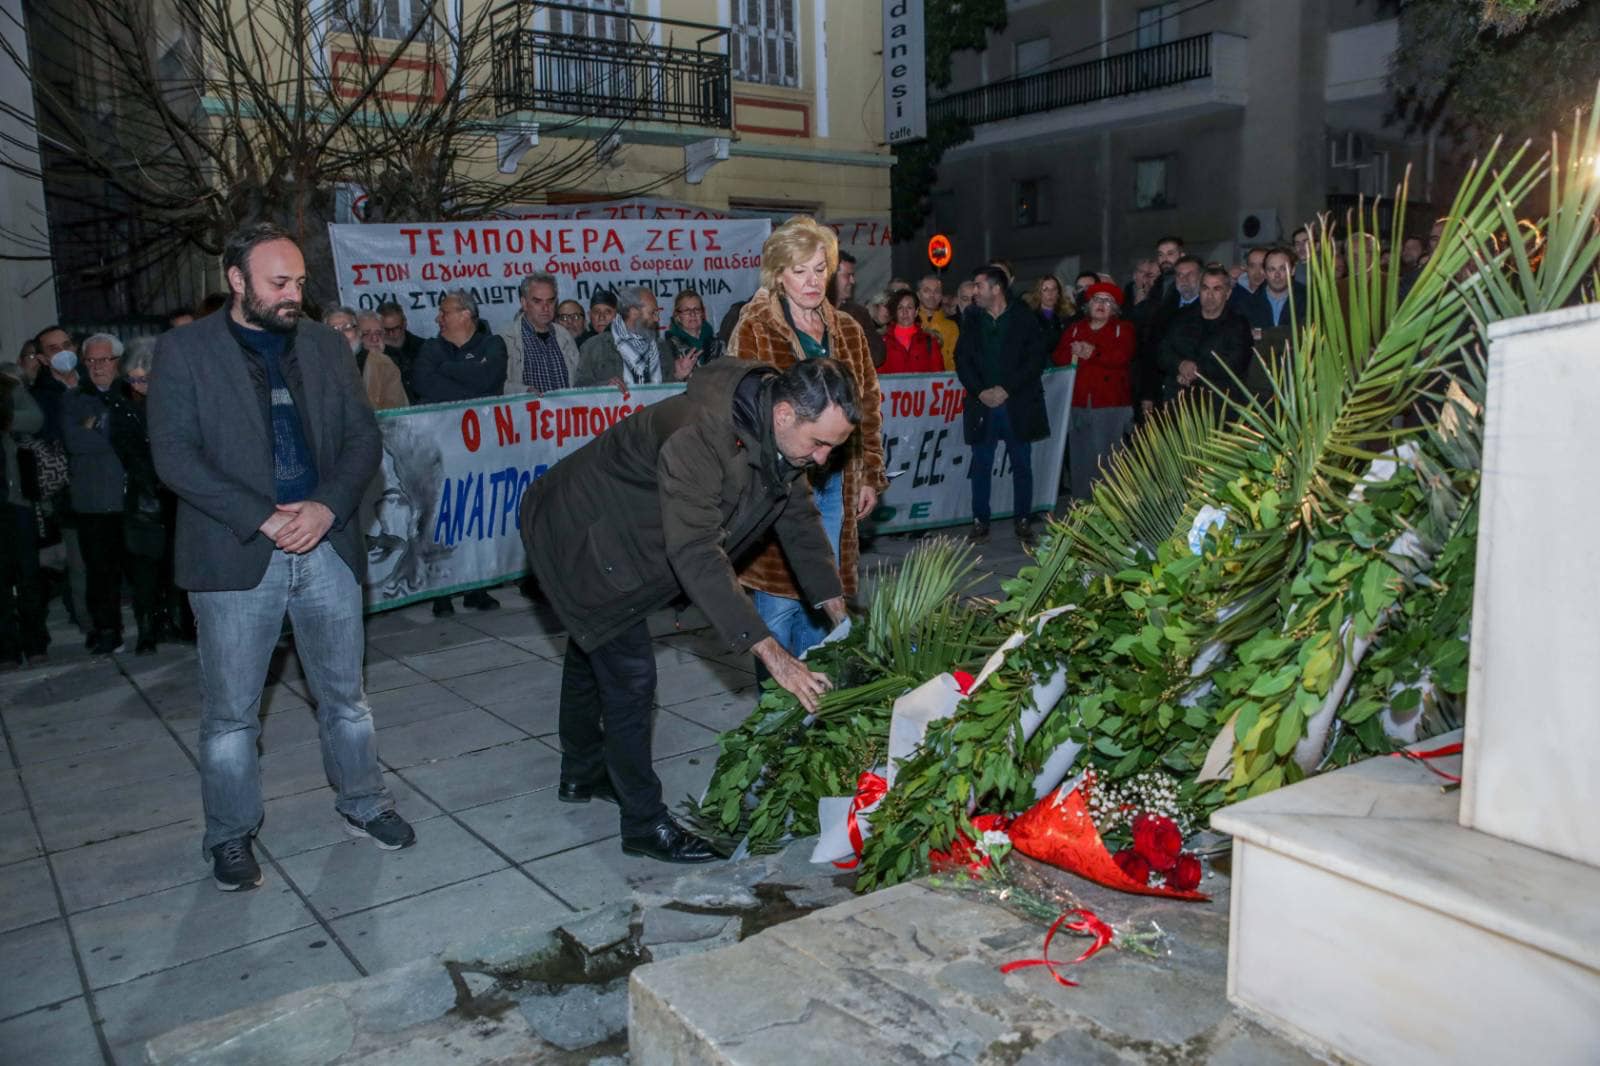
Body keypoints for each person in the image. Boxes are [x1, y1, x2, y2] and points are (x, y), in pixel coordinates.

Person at [149, 221, 417, 892]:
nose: (293, 293)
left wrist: (325, 507)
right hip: (237, 553)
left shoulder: (326, 345)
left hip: (326, 546)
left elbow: (362, 440)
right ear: (236, 281)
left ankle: (364, 803)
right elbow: (175, 456)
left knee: (347, 698)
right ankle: (230, 835)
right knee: (232, 714)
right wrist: (265, 518)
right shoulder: (185, 351)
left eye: (299, 281)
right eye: (278, 282)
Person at [519, 357, 859, 863]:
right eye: (821, 443)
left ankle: (582, 770)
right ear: (785, 414)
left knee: (593, 641)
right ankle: (642, 824)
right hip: (581, 535)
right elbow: (698, 553)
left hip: (621, 532)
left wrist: (840, 615)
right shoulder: (701, 435)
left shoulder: (779, 440)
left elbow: (800, 523)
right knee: (630, 675)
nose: (826, 458)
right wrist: (774, 655)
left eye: (835, 445)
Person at [728, 216, 886, 656]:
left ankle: (814, 713)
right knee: (777, 610)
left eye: (820, 269)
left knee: (823, 599)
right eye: (800, 270)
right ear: (779, 274)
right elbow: (742, 413)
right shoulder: (756, 328)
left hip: (835, 480)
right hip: (778, 486)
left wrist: (870, 470)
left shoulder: (849, 330)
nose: (812, 281)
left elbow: (868, 406)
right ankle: (777, 712)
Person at [413, 289, 508, 614]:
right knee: (443, 514)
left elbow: (488, 379)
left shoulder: (493, 345)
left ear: (466, 314)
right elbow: (425, 382)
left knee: (479, 512)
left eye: (446, 311)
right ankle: (442, 590)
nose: (439, 318)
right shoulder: (429, 348)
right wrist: (471, 380)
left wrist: (449, 370)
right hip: (441, 450)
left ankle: (477, 586)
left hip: (481, 448)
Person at [62, 333, 158, 655]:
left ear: (117, 362)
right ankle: (106, 630)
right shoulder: (73, 399)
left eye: (103, 360)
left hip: (133, 500)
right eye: (90, 360)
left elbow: (142, 439)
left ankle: (151, 629)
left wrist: (99, 425)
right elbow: (76, 443)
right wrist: (109, 428)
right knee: (100, 573)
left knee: (142, 569)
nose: (96, 366)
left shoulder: (135, 393)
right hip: (93, 502)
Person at [954, 266, 1050, 545]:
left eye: (979, 285)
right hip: (982, 405)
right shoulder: (971, 318)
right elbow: (963, 359)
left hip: (1015, 404)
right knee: (981, 464)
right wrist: (980, 391)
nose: (975, 292)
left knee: (1022, 463)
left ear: (996, 288)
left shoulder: (1023, 317)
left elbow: (1034, 360)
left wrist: (1007, 389)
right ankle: (980, 521)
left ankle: (1023, 519)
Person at [1053, 283, 1135, 500]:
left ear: (1115, 308)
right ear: (1088, 305)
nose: (1101, 305)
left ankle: (1111, 505)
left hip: (1110, 404)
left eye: (1108, 301)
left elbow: (1122, 356)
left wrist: (1093, 352)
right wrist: (1073, 351)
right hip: (1078, 403)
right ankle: (1081, 504)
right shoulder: (1075, 329)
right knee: (1080, 458)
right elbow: (1059, 357)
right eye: (1097, 300)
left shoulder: (1122, 329)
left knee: (1108, 458)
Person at [0, 361, 49, 668]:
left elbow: (35, 419)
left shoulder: (8, 386)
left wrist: (4, 418)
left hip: (15, 499)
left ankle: (35, 642)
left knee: (28, 574)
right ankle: (6, 648)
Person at [1158, 265, 1253, 404]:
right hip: (1179, 402)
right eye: (1205, 288)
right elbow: (1163, 351)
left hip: (1218, 403)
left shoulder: (1238, 324)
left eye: (1217, 289)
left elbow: (1236, 362)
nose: (1210, 294)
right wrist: (1180, 365)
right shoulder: (1181, 318)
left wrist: (1195, 371)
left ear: (1228, 293)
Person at [576, 286, 690, 387]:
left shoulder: (663, 347)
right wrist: (605, 387)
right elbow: (579, 388)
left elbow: (669, 395)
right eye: (652, 313)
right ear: (634, 312)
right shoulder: (593, 347)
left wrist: (678, 376)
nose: (657, 319)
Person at [498, 272, 579, 396]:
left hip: (568, 413)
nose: (545, 308)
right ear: (524, 303)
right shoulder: (505, 339)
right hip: (526, 413)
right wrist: (523, 392)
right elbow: (495, 385)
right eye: (537, 301)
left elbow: (580, 380)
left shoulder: (565, 336)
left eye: (550, 301)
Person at [1240, 247, 1309, 393]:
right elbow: (1244, 341)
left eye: (1283, 269)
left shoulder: (1308, 299)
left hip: (1299, 383)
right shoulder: (1248, 304)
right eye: (1271, 269)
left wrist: (1264, 335)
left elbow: (1304, 335)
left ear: (1292, 271)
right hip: (1259, 385)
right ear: (1265, 273)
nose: (1277, 275)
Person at [828, 250, 885, 368]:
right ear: (831, 277)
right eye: (848, 275)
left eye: (852, 276)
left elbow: (877, 355)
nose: (853, 281)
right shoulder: (811, 312)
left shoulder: (858, 314)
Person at [353, 312, 409, 410]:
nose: (374, 339)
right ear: (356, 336)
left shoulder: (398, 358)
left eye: (378, 333)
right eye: (366, 333)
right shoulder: (350, 366)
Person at [880, 290, 944, 374]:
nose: (905, 312)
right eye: (900, 308)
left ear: (916, 312)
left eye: (909, 307)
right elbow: (878, 378)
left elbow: (938, 376)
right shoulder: (883, 342)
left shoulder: (929, 341)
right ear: (895, 312)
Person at [663, 290, 724, 373]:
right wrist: (678, 376)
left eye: (697, 309)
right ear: (677, 316)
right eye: (687, 310)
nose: (692, 314)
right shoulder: (668, 347)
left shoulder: (718, 344)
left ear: (703, 313)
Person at [378, 301, 425, 403]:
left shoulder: (423, 347)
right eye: (386, 329)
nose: (391, 334)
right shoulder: (375, 354)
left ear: (404, 324)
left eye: (396, 328)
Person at [915, 275, 960, 371]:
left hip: (944, 382)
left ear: (941, 296)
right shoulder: (911, 324)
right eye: (927, 291)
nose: (932, 295)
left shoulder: (951, 327)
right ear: (918, 295)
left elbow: (954, 361)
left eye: (937, 291)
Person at [1026, 274, 1073, 353]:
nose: (1050, 293)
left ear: (1058, 293)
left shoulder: (1067, 316)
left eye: (1054, 289)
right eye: (1045, 289)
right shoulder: (1030, 317)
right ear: (1039, 293)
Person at [1228, 247, 1268, 313]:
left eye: (1262, 266)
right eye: (1252, 266)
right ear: (1246, 268)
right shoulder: (1234, 293)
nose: (1257, 272)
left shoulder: (1277, 295)